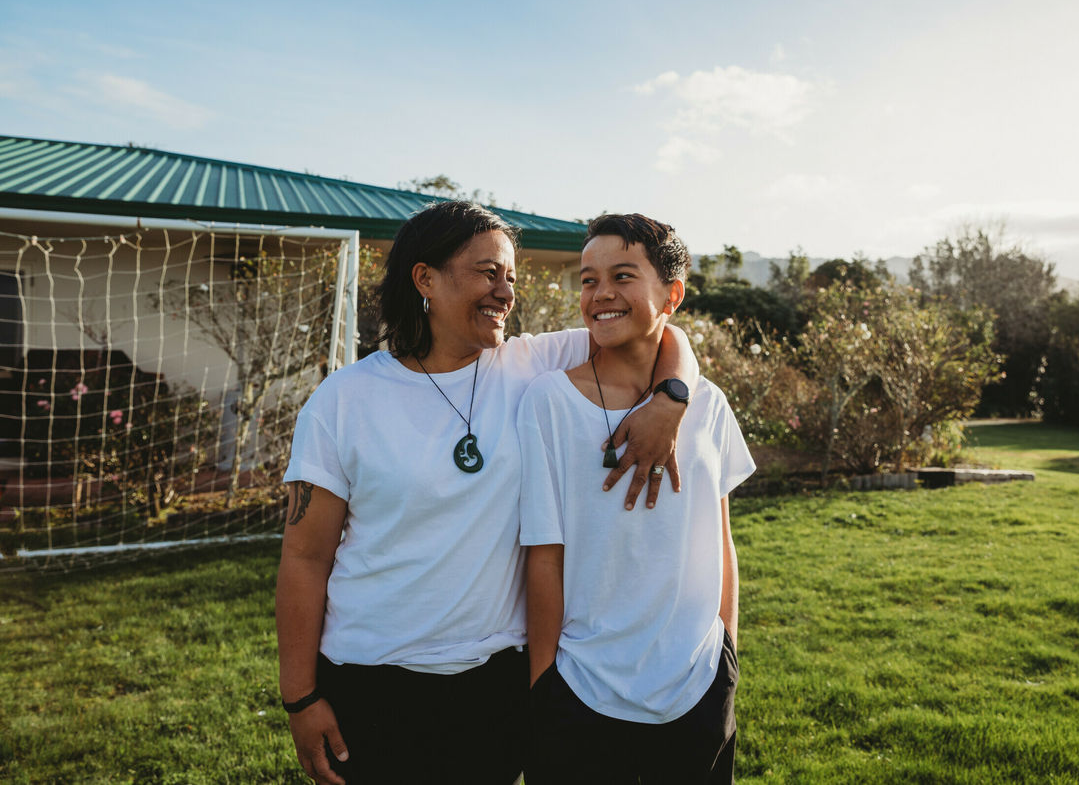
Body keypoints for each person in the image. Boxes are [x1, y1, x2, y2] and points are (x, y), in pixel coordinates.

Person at [275, 201, 699, 785]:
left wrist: (672, 396)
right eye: (487, 272)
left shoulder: (529, 363)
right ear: (425, 278)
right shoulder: (344, 401)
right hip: (372, 682)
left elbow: (657, 327)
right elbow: (304, 557)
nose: (505, 291)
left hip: (498, 684)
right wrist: (300, 696)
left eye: (511, 277)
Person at [520, 214, 755, 784]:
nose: (601, 294)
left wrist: (725, 651)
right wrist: (545, 680)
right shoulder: (546, 402)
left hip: (697, 684)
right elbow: (543, 551)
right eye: (587, 279)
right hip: (579, 688)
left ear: (671, 294)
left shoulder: (709, 404)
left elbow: (718, 537)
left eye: (623, 276)